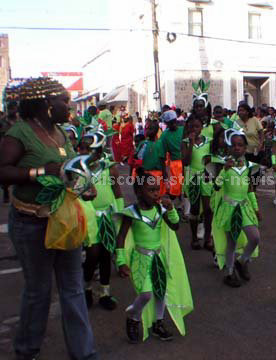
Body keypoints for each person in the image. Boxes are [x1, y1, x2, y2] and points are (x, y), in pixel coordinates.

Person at [0, 77, 97, 359]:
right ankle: (27, 350)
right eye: (64, 101)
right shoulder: (18, 133)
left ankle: (84, 353)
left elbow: (66, 170)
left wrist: (83, 187)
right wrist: (41, 172)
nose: (69, 106)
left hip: (63, 220)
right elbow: (3, 171)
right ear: (46, 103)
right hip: (31, 224)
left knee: (73, 288)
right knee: (38, 291)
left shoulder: (60, 132)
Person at [115, 168, 193, 343]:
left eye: (157, 189)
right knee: (146, 294)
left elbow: (175, 226)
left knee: (160, 292)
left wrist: (171, 209)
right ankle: (133, 316)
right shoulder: (131, 213)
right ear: (138, 191)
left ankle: (159, 322)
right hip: (140, 260)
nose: (156, 193)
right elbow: (121, 237)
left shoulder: (160, 209)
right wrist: (121, 261)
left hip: (159, 258)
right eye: (151, 190)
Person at [79, 130, 124, 310]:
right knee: (92, 255)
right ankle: (87, 288)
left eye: (87, 149)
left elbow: (117, 191)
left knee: (106, 254)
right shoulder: (78, 169)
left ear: (98, 152)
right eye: (81, 148)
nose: (82, 152)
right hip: (89, 218)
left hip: (107, 216)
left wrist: (120, 215)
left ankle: (105, 292)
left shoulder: (109, 167)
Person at [212, 129, 262, 287]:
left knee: (255, 237)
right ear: (228, 148)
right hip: (229, 209)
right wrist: (224, 170)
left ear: (245, 147)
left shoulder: (249, 166)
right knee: (231, 243)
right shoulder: (224, 166)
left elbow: (250, 189)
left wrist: (256, 207)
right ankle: (229, 272)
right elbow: (216, 186)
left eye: (240, 145)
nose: (237, 148)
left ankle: (242, 261)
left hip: (245, 208)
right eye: (233, 145)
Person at [181, 115, 214, 250]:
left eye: (197, 126)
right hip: (192, 177)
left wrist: (209, 168)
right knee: (194, 208)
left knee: (208, 209)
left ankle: (207, 237)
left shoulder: (209, 141)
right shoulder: (185, 142)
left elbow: (212, 158)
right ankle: (194, 237)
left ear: (202, 127)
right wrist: (191, 144)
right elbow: (186, 161)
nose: (194, 129)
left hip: (206, 176)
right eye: (192, 127)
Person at [158, 110, 184, 201]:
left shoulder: (183, 130)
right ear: (166, 124)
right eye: (170, 123)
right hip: (175, 164)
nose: (173, 124)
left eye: (174, 122)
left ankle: (185, 209)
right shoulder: (165, 135)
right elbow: (162, 155)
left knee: (185, 189)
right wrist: (164, 173)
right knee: (175, 191)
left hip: (187, 162)